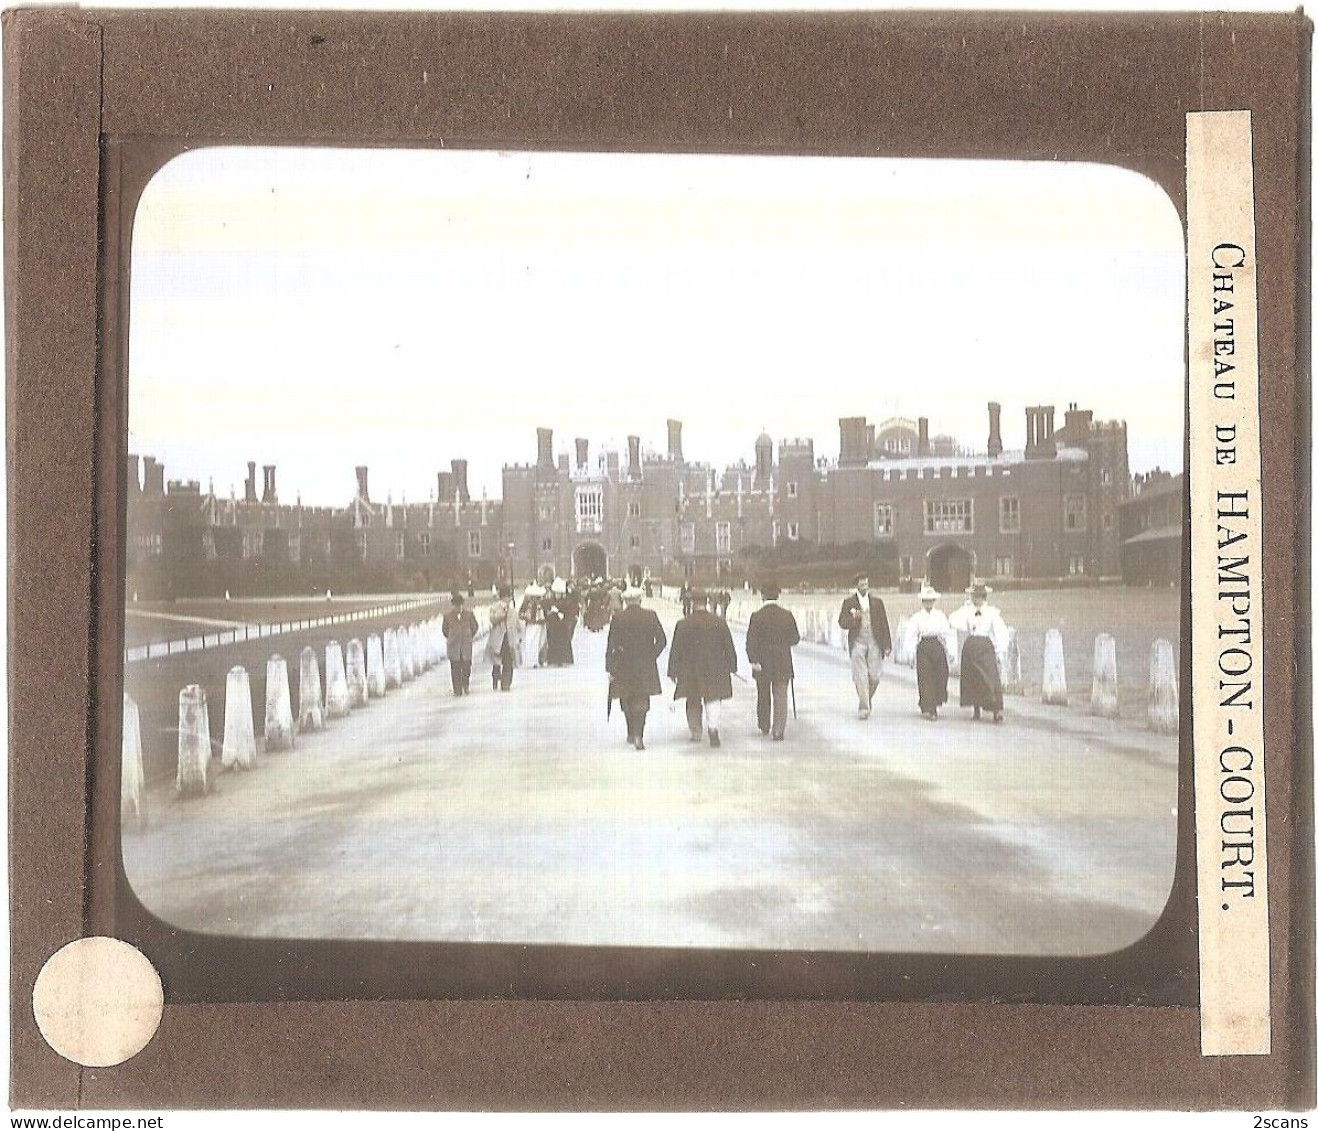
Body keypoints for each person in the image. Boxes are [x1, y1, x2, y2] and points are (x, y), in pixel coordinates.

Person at [667, 588, 738, 747]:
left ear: (692, 603)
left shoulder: (683, 624)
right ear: (706, 603)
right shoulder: (719, 622)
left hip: (690, 669)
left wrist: (672, 670)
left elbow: (676, 649)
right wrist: (732, 665)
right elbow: (728, 646)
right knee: (713, 698)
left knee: (693, 699)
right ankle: (713, 729)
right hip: (715, 667)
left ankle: (696, 732)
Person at [605, 586, 668, 750]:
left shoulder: (618, 618)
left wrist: (610, 668)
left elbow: (611, 644)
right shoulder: (650, 615)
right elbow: (662, 640)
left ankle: (631, 732)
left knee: (627, 698)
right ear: (640, 600)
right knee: (641, 699)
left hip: (623, 665)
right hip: (645, 666)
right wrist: (651, 655)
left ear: (625, 601)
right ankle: (639, 734)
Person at [744, 581, 800, 740]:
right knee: (781, 695)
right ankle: (778, 729)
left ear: (762, 596)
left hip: (762, 662)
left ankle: (764, 724)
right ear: (778, 596)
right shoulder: (787, 615)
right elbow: (795, 639)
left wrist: (753, 660)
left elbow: (751, 641)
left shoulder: (757, 616)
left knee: (763, 693)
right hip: (783, 661)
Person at [948, 582, 1009, 722]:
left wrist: (1000, 651)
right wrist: (965, 607)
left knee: (990, 678)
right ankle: (976, 709)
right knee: (973, 678)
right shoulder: (967, 610)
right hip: (971, 646)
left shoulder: (992, 612)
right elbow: (953, 620)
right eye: (974, 596)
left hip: (985, 646)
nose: (976, 599)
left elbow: (1001, 632)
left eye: (979, 597)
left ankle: (996, 710)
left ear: (984, 597)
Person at [838, 572, 893, 719]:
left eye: (866, 584)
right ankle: (863, 707)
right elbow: (842, 622)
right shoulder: (849, 602)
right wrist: (853, 619)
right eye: (861, 584)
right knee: (860, 676)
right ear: (856, 586)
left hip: (875, 641)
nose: (864, 586)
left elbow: (884, 624)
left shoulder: (877, 602)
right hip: (858, 641)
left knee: (874, 676)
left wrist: (887, 644)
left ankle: (866, 698)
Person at [903, 582, 955, 720]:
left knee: (941, 675)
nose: (928, 603)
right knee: (926, 677)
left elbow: (947, 633)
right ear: (922, 602)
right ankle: (929, 707)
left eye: (931, 601)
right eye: (926, 601)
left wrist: (951, 651)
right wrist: (911, 654)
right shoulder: (916, 617)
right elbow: (911, 636)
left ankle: (935, 701)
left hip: (937, 646)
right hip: (924, 647)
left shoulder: (940, 616)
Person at [485, 583, 521, 691]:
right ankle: (496, 677)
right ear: (504, 597)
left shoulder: (513, 610)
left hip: (509, 639)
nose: (509, 599)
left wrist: (519, 635)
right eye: (508, 597)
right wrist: (502, 614)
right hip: (498, 639)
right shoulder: (495, 608)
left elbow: (517, 624)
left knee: (508, 661)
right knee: (497, 662)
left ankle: (506, 684)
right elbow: (492, 619)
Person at [441, 593, 478, 695]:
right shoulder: (447, 616)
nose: (458, 607)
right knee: (455, 668)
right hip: (454, 646)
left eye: (459, 605)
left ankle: (465, 685)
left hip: (466, 646)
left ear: (462, 604)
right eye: (455, 605)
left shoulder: (469, 614)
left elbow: (475, 627)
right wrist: (452, 637)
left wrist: (469, 636)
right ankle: (457, 689)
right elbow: (445, 630)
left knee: (466, 667)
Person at [544, 577, 576, 665]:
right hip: (553, 625)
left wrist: (562, 614)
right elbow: (546, 611)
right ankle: (553, 659)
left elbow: (570, 612)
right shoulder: (550, 601)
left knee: (563, 642)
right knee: (553, 642)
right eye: (556, 593)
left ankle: (563, 659)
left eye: (559, 593)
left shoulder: (567, 601)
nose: (557, 595)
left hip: (562, 625)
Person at [519, 583, 547, 668]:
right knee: (532, 643)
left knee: (537, 643)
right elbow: (520, 613)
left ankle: (537, 660)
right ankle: (533, 660)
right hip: (532, 625)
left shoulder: (540, 603)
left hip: (538, 625)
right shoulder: (529, 603)